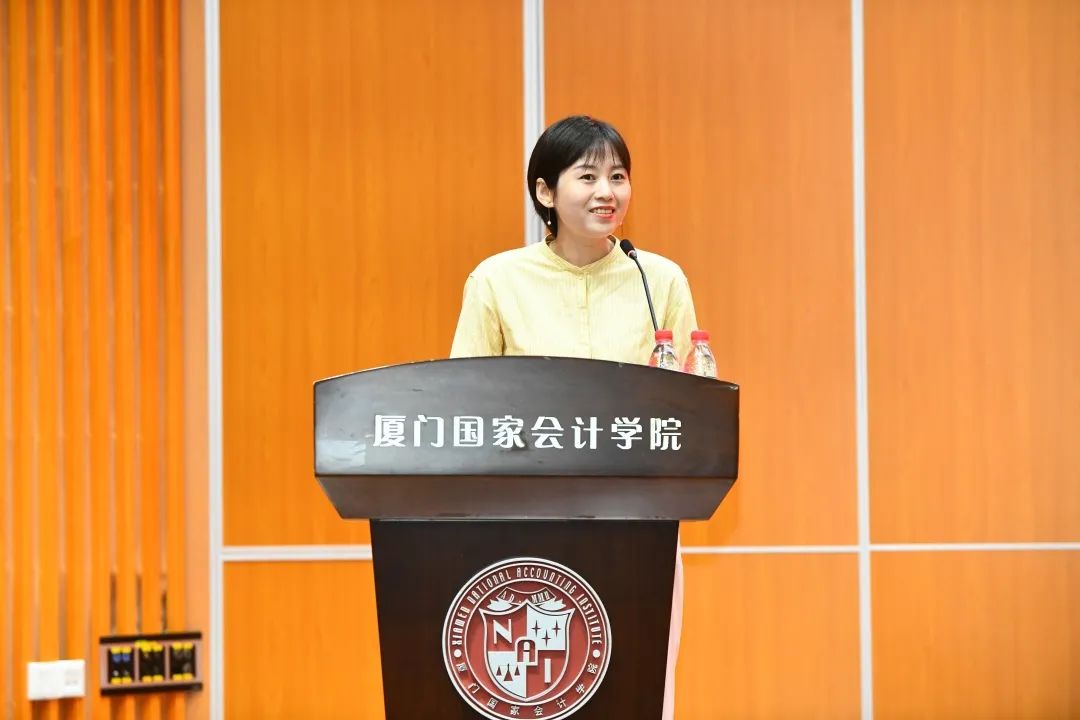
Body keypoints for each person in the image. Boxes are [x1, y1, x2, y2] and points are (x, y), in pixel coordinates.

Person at [450, 115, 698, 720]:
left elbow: (692, 402)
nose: (606, 192)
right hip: (523, 519)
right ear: (545, 191)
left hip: (639, 517)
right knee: (538, 690)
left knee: (640, 687)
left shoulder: (659, 280)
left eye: (618, 176)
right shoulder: (498, 280)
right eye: (587, 176)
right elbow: (462, 405)